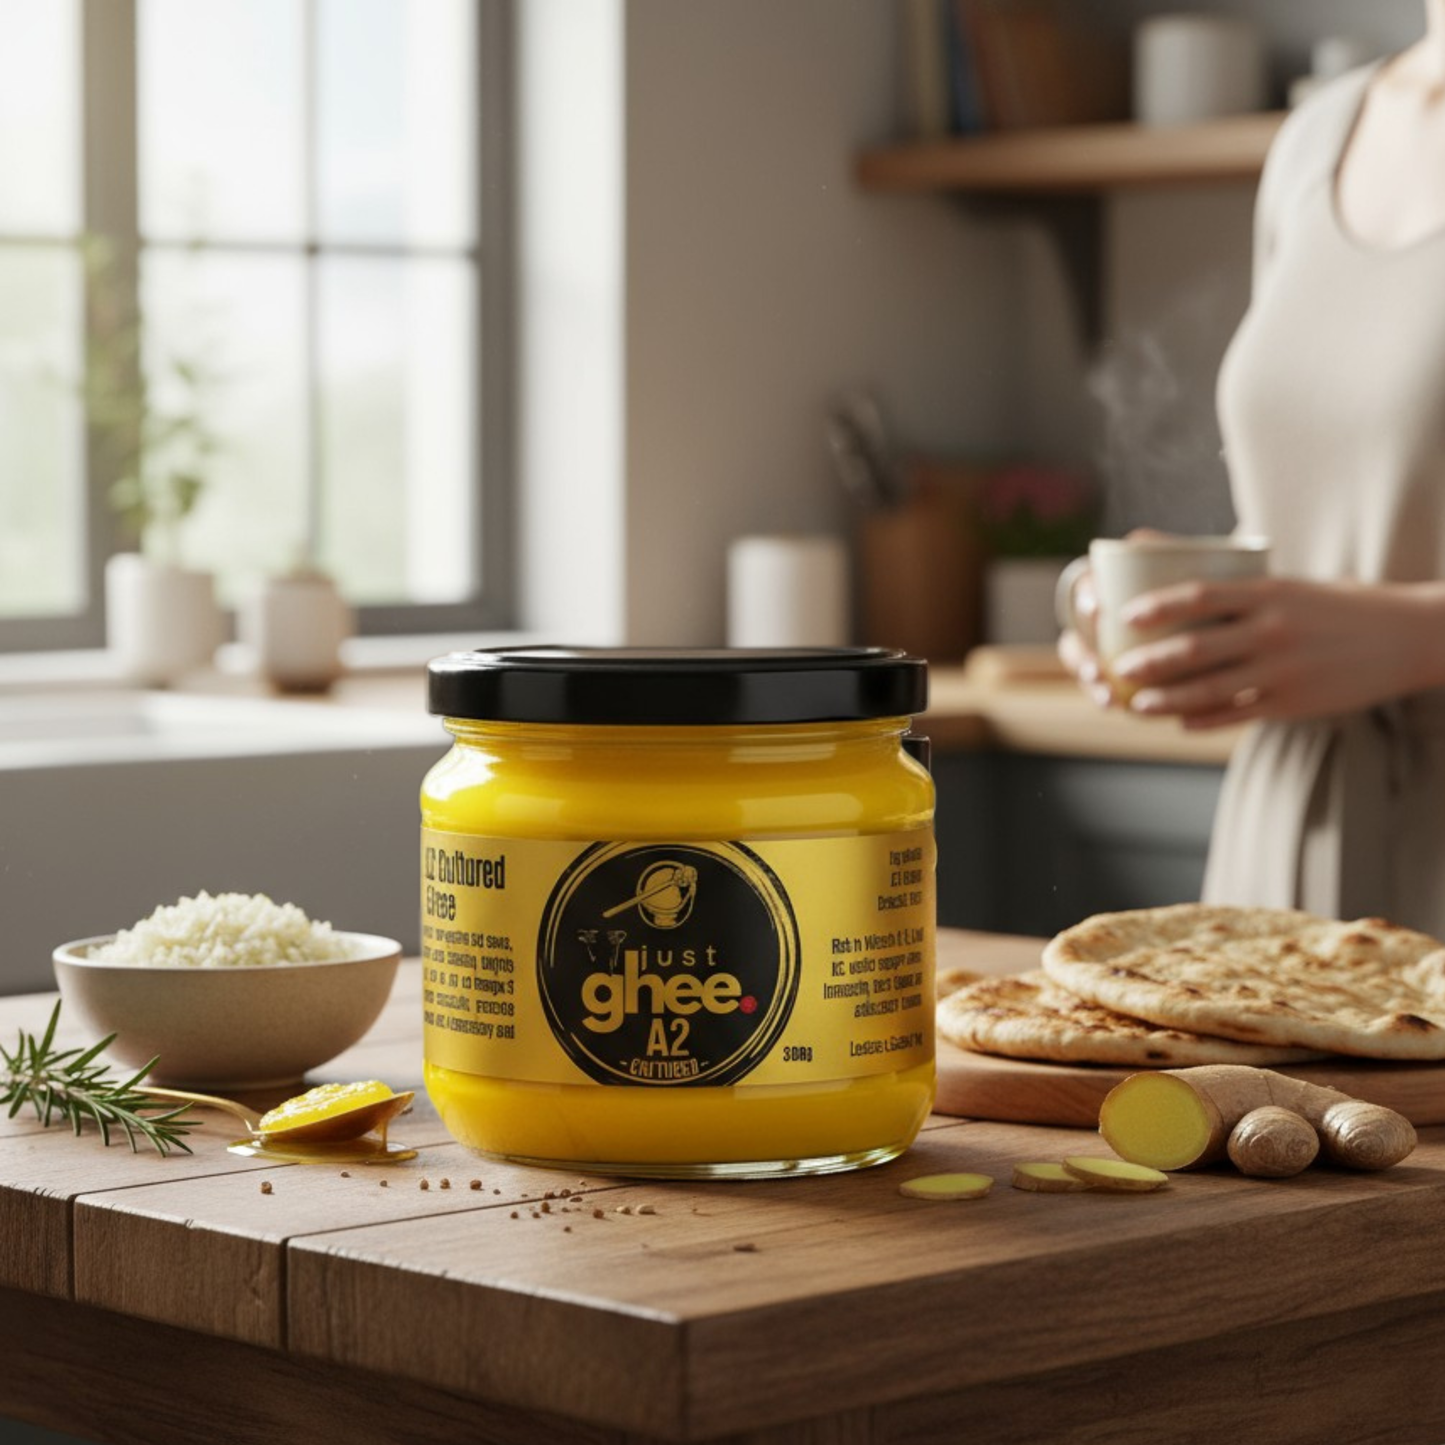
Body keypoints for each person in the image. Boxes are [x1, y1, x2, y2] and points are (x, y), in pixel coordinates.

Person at [1059, 5, 1445, 937]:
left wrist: (1419, 637)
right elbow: (1311, 518)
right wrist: (1166, 608)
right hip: (1284, 822)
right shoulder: (1319, 134)